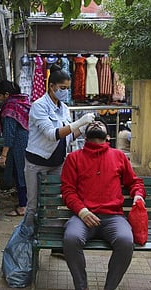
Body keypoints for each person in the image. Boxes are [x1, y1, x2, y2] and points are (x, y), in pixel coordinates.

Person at [60, 117, 146, 290]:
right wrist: (82, 211)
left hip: (113, 217)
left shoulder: (118, 156)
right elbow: (68, 190)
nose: (96, 124)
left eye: (101, 124)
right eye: (93, 124)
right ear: (86, 135)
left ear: (108, 136)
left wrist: (138, 195)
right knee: (71, 238)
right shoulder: (74, 158)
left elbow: (134, 182)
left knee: (126, 241)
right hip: (83, 216)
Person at [23, 64, 95, 229]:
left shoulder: (64, 108)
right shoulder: (39, 106)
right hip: (37, 162)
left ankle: (48, 235)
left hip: (57, 163)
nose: (65, 92)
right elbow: (52, 134)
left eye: (67, 88)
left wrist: (83, 128)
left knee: (53, 202)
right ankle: (26, 238)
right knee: (33, 205)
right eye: (62, 88)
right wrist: (79, 122)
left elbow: (67, 136)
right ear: (51, 86)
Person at [0, 80, 31, 217]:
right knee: (26, 175)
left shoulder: (10, 108)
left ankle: (23, 206)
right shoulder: (23, 102)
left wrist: (3, 155)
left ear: (6, 94)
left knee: (20, 175)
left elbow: (9, 135)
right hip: (29, 143)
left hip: (19, 146)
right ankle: (28, 203)